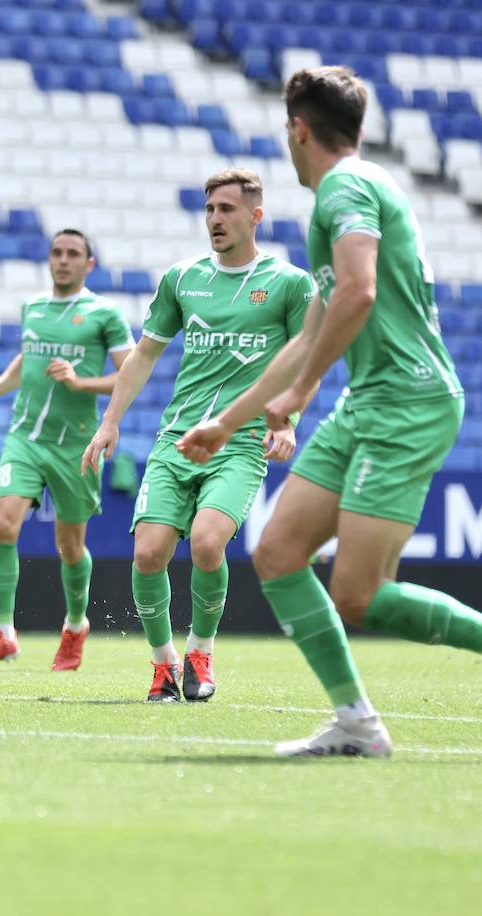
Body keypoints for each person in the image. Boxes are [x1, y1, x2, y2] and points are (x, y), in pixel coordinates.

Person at [177, 66, 482, 756]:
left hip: (407, 401)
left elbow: (358, 295)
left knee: (360, 595)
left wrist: (298, 393)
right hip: (369, 400)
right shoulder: (352, 194)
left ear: (298, 129)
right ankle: (355, 724)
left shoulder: (346, 187)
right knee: (280, 553)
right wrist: (232, 419)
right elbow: (315, 328)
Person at [81, 169, 315, 702]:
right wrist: (111, 419)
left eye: (227, 209)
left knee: (208, 543)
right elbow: (143, 356)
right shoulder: (183, 278)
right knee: (148, 555)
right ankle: (163, 665)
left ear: (256, 216)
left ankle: (200, 652)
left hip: (241, 440)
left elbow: (307, 362)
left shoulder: (290, 283)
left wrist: (289, 419)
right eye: (210, 210)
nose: (215, 219)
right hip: (177, 439)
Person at [0, 229, 134, 671]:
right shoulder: (33, 306)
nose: (63, 260)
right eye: (57, 252)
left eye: (73, 254)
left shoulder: (104, 314)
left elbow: (132, 373)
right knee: (3, 525)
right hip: (24, 437)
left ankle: (75, 626)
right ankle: (2, 632)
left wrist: (81, 382)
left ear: (89, 264)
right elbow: (29, 357)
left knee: (70, 547)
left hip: (75, 444)